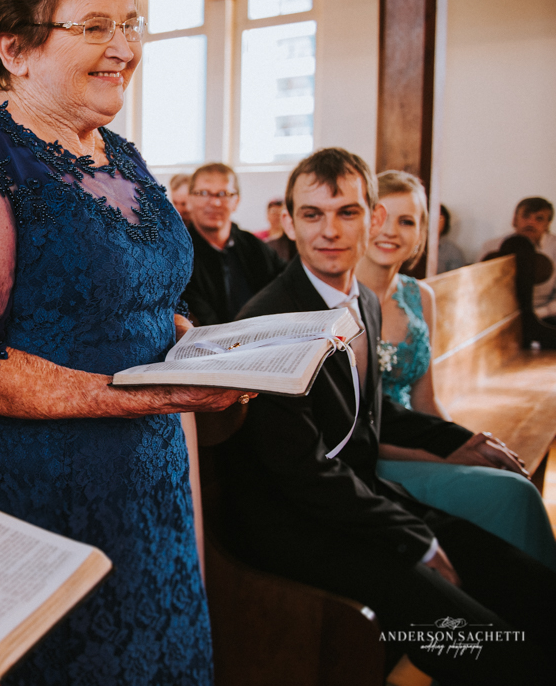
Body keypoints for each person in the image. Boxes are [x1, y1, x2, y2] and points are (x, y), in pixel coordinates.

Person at [0, 0, 246, 684]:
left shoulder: (119, 154)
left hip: (148, 499)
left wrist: (196, 342)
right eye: (94, 26)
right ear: (14, 47)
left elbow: (130, 300)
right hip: (35, 510)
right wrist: (145, 393)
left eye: (130, 23)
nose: (124, 47)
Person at [218, 147, 556, 684]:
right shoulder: (269, 323)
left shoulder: (365, 302)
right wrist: (414, 538)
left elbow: (372, 409)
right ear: (289, 222)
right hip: (297, 525)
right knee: (493, 650)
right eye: (312, 214)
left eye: (347, 212)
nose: (330, 231)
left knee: (528, 585)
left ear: (371, 218)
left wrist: (455, 440)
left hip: (355, 499)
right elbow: (301, 471)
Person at [355, 171, 556, 569]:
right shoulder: (340, 300)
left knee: (511, 479)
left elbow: (426, 400)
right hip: (376, 457)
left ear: (421, 232)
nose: (391, 231)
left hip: (423, 440)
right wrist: (448, 457)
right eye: (381, 217)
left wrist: (465, 442)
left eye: (407, 221)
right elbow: (354, 429)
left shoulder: (419, 296)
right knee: (514, 494)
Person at [180, 163, 284, 326]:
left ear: (236, 201)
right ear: (190, 199)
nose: (215, 202)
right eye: (204, 193)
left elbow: (284, 283)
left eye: (223, 194)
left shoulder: (254, 246)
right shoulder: (178, 254)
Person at [481, 197, 556, 348]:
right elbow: (481, 291)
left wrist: (537, 313)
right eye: (526, 216)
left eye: (539, 219)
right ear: (515, 220)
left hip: (544, 313)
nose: (531, 223)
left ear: (548, 224)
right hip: (499, 316)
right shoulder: (491, 247)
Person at [435, 203, 465, 273]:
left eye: (439, 218)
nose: (433, 221)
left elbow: (456, 277)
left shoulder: (452, 251)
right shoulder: (413, 246)